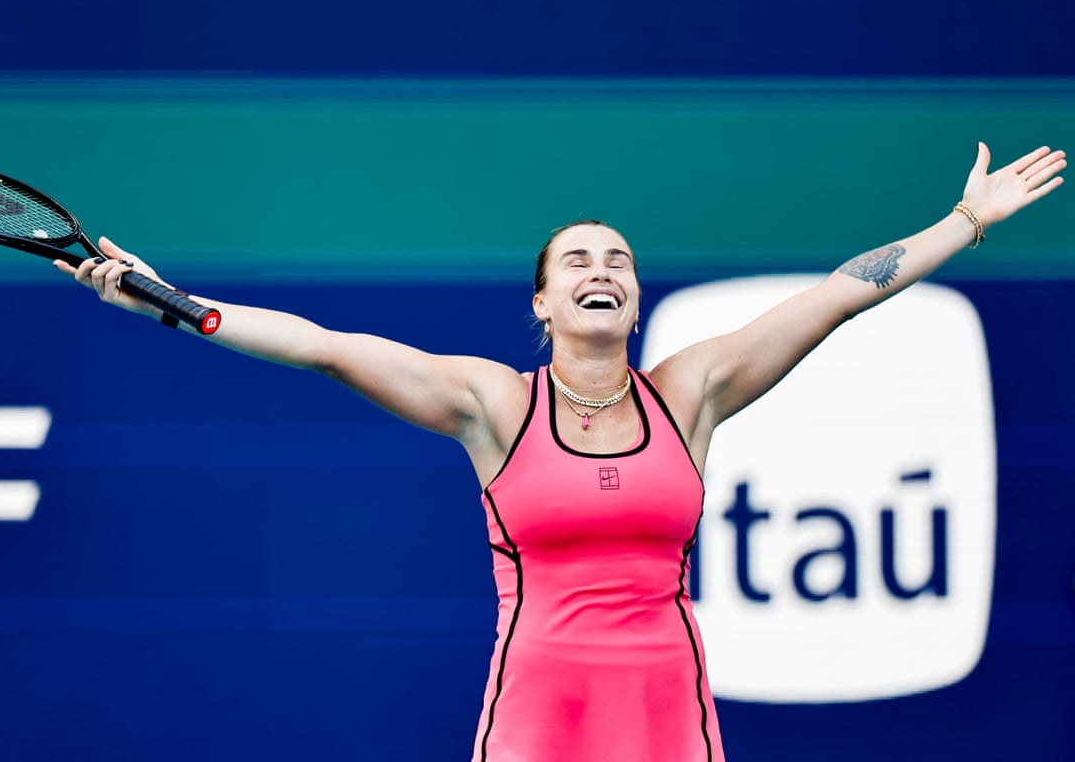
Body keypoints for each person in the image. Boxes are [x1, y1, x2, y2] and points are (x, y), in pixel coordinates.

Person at [56, 142, 1064, 762]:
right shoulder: (493, 404)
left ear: (635, 298)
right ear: (543, 301)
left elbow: (842, 293)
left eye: (618, 259)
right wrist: (175, 304)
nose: (601, 268)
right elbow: (326, 347)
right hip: (540, 707)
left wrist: (965, 221)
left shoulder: (693, 391)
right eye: (577, 259)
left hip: (666, 707)